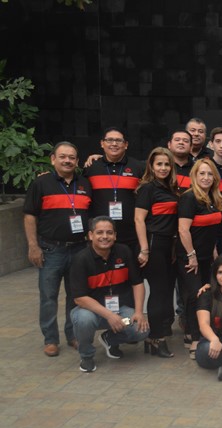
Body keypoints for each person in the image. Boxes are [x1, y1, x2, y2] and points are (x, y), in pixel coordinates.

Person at [23, 142, 92, 357]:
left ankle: (73, 335)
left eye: (71, 157)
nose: (67, 161)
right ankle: (51, 339)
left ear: (77, 161)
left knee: (76, 295)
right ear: (53, 159)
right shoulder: (41, 183)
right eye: (62, 156)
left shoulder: (85, 183)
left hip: (79, 249)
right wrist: (33, 246)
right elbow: (30, 216)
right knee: (49, 296)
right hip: (51, 249)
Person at [69, 216, 150, 372]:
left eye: (109, 232)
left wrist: (139, 312)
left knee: (141, 329)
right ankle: (86, 356)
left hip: (120, 312)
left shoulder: (124, 251)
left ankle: (110, 340)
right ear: (90, 235)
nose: (105, 236)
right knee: (84, 320)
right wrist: (109, 315)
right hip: (92, 312)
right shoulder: (81, 259)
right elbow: (80, 298)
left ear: (115, 235)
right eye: (99, 232)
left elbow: (137, 283)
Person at [134, 147, 179, 358]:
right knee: (159, 292)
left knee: (166, 292)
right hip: (153, 243)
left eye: (167, 164)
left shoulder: (170, 188)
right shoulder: (147, 188)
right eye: (159, 164)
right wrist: (144, 249)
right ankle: (155, 339)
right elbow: (139, 219)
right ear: (151, 166)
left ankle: (155, 336)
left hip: (168, 244)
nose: (163, 168)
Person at [177, 159, 222, 358]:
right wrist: (191, 255)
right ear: (194, 176)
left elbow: (210, 229)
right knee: (195, 296)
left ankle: (191, 333)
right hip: (189, 258)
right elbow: (183, 229)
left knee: (203, 295)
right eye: (201, 173)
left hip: (206, 257)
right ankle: (195, 338)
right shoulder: (189, 198)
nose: (206, 177)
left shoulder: (213, 198)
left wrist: (213, 251)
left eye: (209, 174)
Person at [84, 127, 145, 251]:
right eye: (109, 140)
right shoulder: (91, 167)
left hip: (131, 234)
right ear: (102, 143)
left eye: (118, 140)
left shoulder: (138, 167)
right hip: (100, 235)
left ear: (126, 145)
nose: (114, 144)